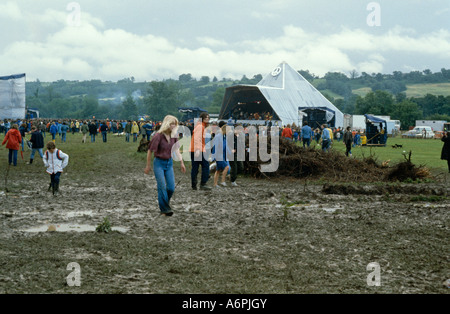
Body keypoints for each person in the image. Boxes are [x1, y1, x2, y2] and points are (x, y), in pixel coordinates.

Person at [144, 115, 186, 216]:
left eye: (175, 124)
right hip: (158, 163)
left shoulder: (174, 136)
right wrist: (148, 165)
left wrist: (181, 162)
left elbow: (176, 150)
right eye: (172, 124)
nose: (174, 126)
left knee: (171, 188)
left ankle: (165, 204)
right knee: (162, 186)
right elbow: (150, 151)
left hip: (169, 163)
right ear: (167, 124)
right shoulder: (158, 136)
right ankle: (164, 209)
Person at [190, 112, 211, 190]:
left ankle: (194, 185)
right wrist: (198, 150)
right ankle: (203, 184)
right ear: (202, 118)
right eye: (206, 118)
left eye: (208, 118)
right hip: (198, 150)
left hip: (193, 149)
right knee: (205, 166)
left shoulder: (199, 126)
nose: (207, 119)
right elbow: (197, 139)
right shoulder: (200, 127)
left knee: (195, 167)